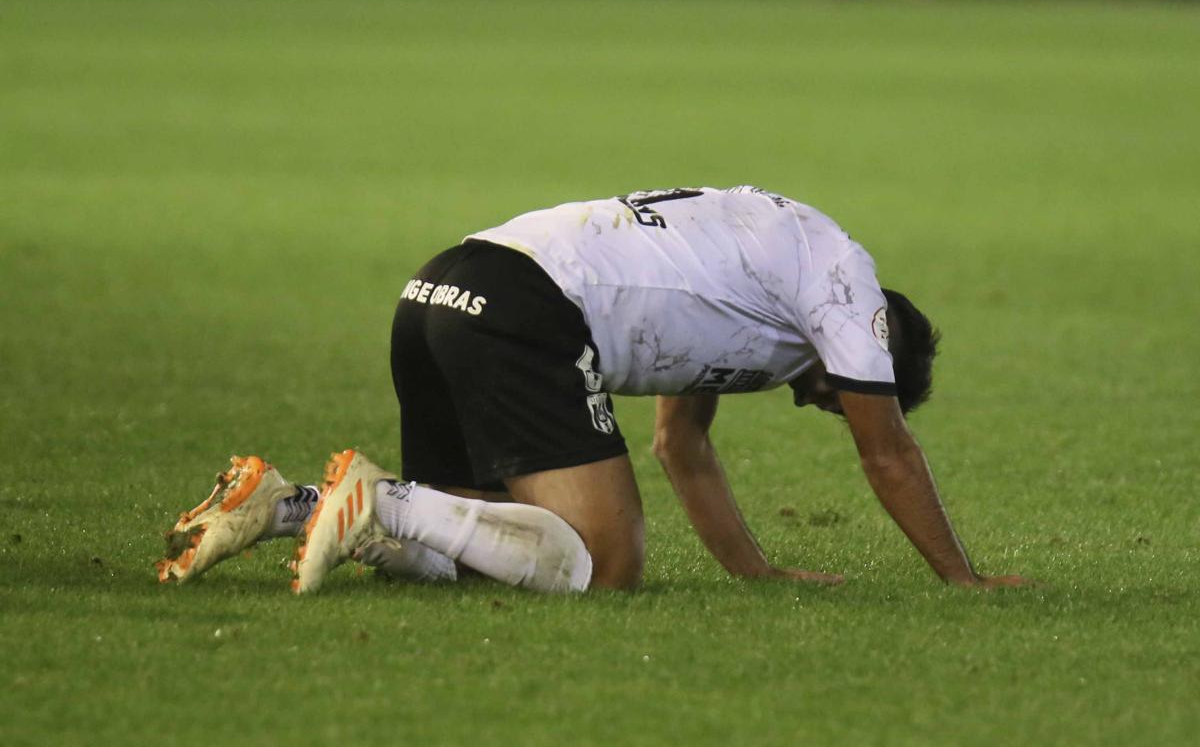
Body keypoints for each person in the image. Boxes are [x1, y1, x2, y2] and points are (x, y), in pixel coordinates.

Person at [156, 186, 1030, 593]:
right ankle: (378, 500)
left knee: (470, 557)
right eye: (841, 395)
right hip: (520, 308)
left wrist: (756, 573)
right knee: (604, 565)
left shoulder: (760, 287)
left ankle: (284, 505)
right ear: (874, 348)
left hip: (439, 288)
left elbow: (680, 446)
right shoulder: (845, 286)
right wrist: (964, 579)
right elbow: (889, 453)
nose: (820, 404)